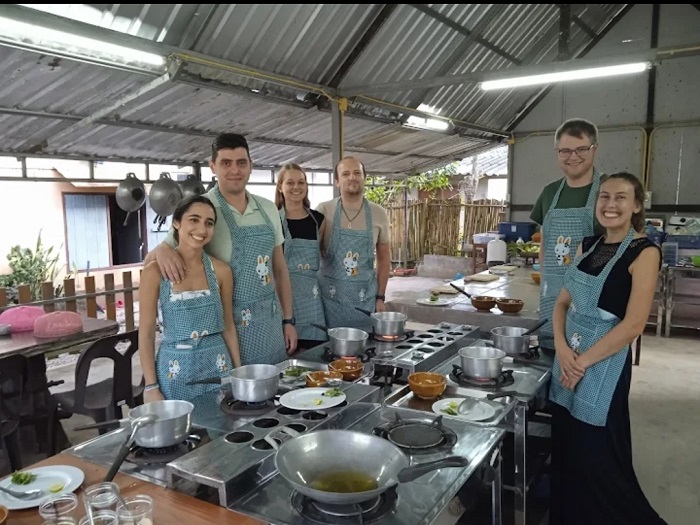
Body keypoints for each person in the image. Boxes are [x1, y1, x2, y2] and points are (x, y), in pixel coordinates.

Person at [548, 172, 666, 525]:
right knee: (567, 448)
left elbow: (633, 324)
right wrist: (562, 350)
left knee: (598, 452)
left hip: (603, 367)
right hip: (568, 356)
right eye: (604, 197)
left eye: (620, 198)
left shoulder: (644, 252)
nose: (610, 205)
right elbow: (561, 304)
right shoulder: (589, 246)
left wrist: (580, 362)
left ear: (636, 206)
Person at [146, 133, 297, 365]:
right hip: (227, 328)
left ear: (250, 166)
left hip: (270, 322)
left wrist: (288, 320)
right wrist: (164, 249)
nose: (234, 170)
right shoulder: (202, 209)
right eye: (226, 163)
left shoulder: (268, 208)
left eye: (241, 163)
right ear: (212, 166)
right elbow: (157, 255)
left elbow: (279, 269)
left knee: (273, 388)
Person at [138, 195, 242, 403]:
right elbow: (147, 331)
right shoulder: (154, 272)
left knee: (222, 428)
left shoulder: (221, 271)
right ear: (176, 223)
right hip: (174, 372)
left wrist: (239, 374)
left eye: (208, 223)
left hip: (218, 367)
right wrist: (151, 386)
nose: (202, 230)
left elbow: (228, 325)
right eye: (193, 220)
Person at [531, 118, 605, 353]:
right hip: (551, 295)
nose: (573, 156)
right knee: (550, 359)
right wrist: (545, 279)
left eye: (581, 149)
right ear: (557, 152)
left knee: (583, 364)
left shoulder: (609, 190)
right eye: (565, 150)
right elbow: (545, 243)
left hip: (592, 298)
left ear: (594, 148)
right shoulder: (550, 192)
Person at [317, 156, 391, 329]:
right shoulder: (323, 210)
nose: (352, 177)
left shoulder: (379, 213)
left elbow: (384, 259)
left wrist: (380, 297)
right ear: (337, 181)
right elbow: (310, 253)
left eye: (357, 173)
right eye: (346, 174)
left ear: (364, 178)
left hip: (364, 303)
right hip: (328, 303)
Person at [275, 163, 328, 349]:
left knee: (314, 354)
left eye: (301, 182)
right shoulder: (272, 219)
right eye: (290, 183)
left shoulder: (318, 220)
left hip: (312, 301)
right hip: (282, 297)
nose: (296, 187)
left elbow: (324, 256)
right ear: (280, 186)